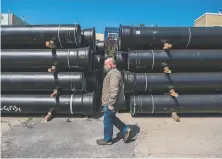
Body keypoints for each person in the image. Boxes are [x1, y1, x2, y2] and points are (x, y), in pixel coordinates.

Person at [96, 57, 131, 145]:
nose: (104, 66)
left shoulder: (114, 74)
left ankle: (107, 140)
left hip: (110, 102)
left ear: (111, 64)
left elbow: (114, 89)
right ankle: (125, 129)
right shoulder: (111, 73)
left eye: (105, 64)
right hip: (108, 102)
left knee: (107, 120)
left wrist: (110, 103)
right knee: (111, 118)